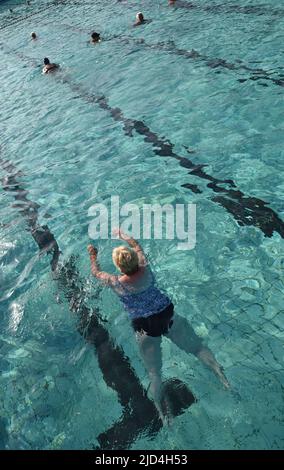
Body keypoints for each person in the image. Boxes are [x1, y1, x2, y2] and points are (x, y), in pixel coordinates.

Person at [87, 229, 229, 423]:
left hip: (146, 328)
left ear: (119, 268)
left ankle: (162, 414)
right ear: (135, 260)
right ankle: (223, 379)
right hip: (167, 316)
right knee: (198, 348)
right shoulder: (144, 266)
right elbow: (136, 245)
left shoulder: (116, 283)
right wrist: (122, 234)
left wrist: (92, 255)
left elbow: (95, 273)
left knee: (155, 374)